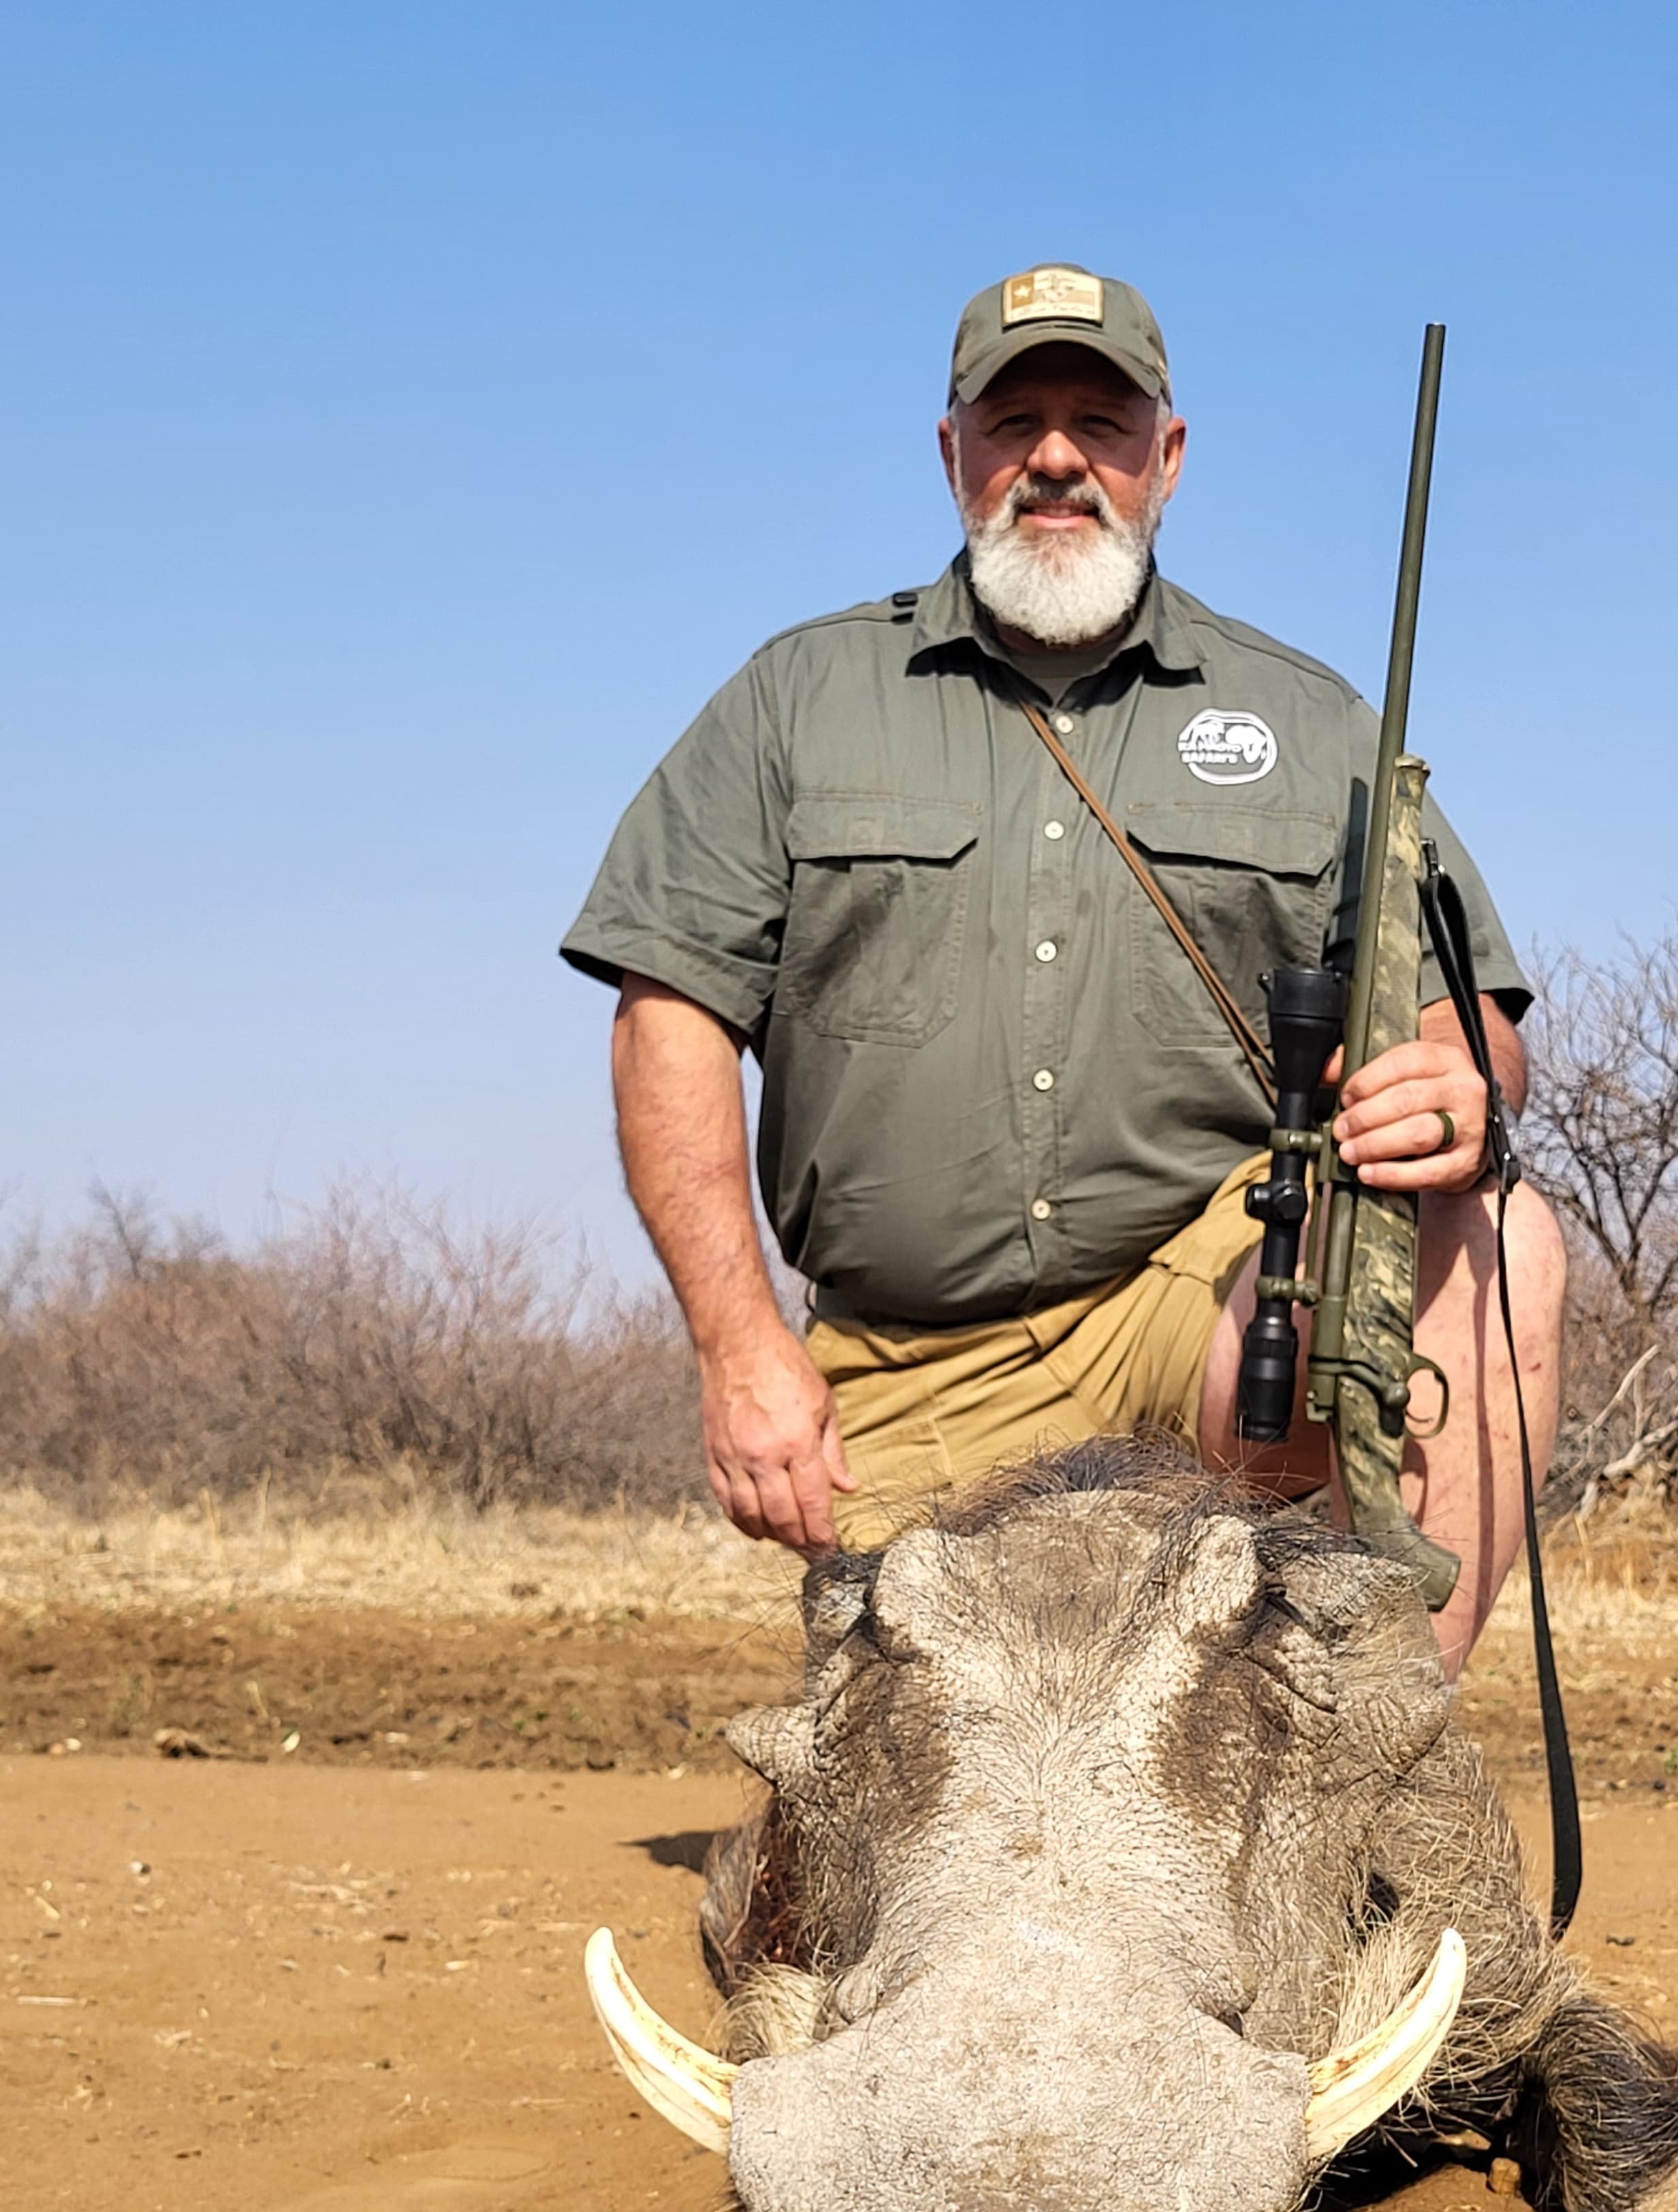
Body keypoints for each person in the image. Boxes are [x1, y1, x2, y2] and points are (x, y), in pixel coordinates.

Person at [561, 263, 1565, 1674]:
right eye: (1013, 417)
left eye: (1099, 421)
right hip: (908, 1375)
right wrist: (740, 1351)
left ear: (1167, 456)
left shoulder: (1308, 714)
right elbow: (664, 1016)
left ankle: (1386, 1768)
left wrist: (1464, 1086)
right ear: (953, 452)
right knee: (921, 1839)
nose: (1054, 456)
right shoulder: (796, 697)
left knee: (1496, 1234)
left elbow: (1474, 1008)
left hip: (1204, 1313)